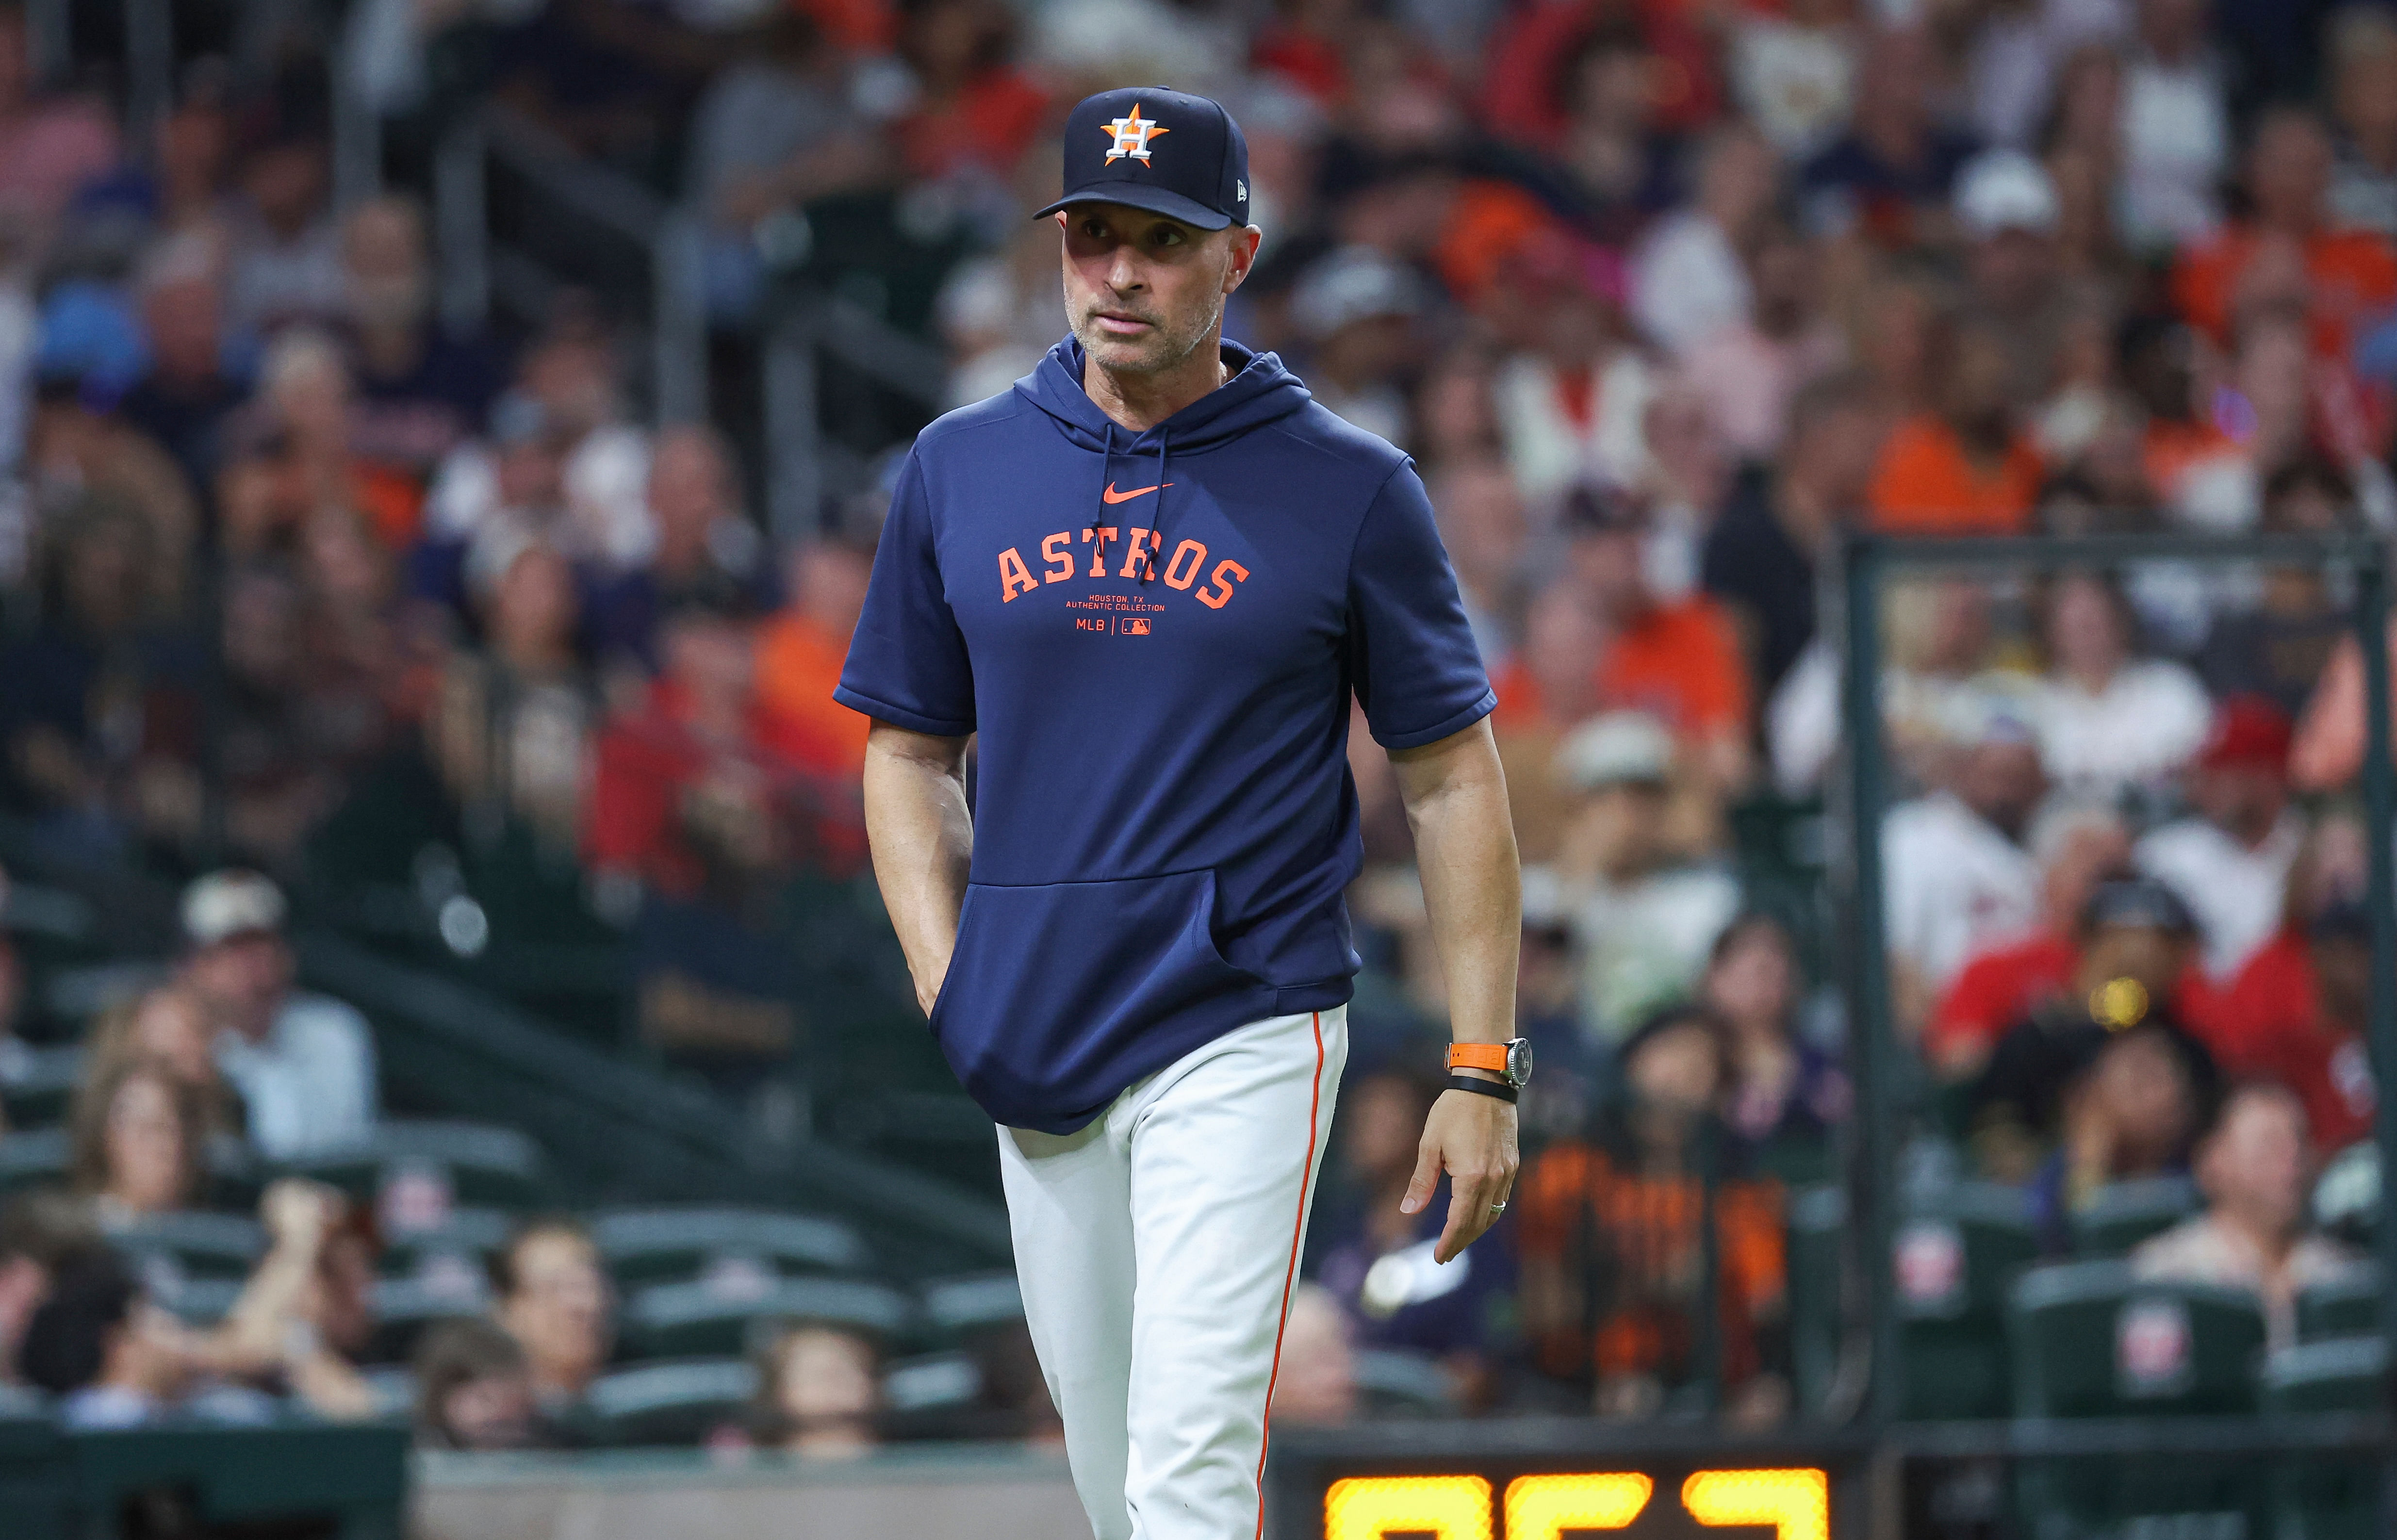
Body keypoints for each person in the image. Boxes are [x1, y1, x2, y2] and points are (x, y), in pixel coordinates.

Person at [838, 88, 1521, 1540]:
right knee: (1112, 1475)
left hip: (1246, 1006)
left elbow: (1451, 773)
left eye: (1161, 240)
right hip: (1033, 1016)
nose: (1120, 274)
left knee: (1188, 1461)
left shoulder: (1346, 486)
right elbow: (904, 755)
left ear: (1238, 257)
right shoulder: (960, 466)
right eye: (1093, 239)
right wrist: (942, 970)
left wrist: (1480, 1063)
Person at [1515, 1007, 1789, 1424]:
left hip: (1711, 1391)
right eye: (1668, 1056)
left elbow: (1764, 1304)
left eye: (1700, 1065)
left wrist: (1702, 1278)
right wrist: (1628, 1281)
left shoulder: (1741, 1193)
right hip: (1579, 1388)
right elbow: (1544, 1311)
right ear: (1630, 1065)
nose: (1679, 1077)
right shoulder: (1567, 1173)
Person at [1308, 1063, 1513, 1413]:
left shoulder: (1464, 1225)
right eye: (1359, 1120)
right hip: (1337, 1423)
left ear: (1424, 1131)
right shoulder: (1337, 1229)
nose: (1362, 1134)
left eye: (1380, 1121)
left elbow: (1481, 1362)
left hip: (1431, 1435)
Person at [1549, 712, 1741, 1047]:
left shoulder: (1708, 899)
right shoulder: (1541, 896)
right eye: (1604, 798)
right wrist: (1578, 883)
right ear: (1575, 810)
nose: (1625, 815)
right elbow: (1545, 1002)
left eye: (1641, 798)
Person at [2134, 1081, 2363, 1348]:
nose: (2292, 1160)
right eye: (2270, 1145)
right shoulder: (2165, 1276)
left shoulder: (2346, 1276)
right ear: (2213, 1161)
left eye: (2300, 1140)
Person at [176, 869, 378, 1160]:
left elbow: (349, 1154)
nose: (254, 970)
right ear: (196, 966)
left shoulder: (336, 1033)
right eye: (233, 951)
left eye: (263, 946)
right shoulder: (178, 1040)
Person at [1881, 701, 2048, 1025]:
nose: (2007, 791)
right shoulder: (1916, 833)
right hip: (1949, 1026)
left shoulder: (2032, 850)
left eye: (2019, 777)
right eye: (1996, 774)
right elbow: (1896, 958)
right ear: (1962, 766)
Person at [2136, 696, 2305, 980]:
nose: (2207, 784)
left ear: (2267, 776)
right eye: (2206, 771)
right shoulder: (2166, 856)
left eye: (2224, 771)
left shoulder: (2311, 848)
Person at [1704, 913, 1844, 1182]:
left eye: (1780, 973)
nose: (1768, 986)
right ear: (1716, 977)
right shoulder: (1696, 1057)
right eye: (1758, 971)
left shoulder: (1819, 1062)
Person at [491, 1218, 612, 1426]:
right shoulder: (490, 1426)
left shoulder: (649, 1412)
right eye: (554, 1288)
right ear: (509, 1309)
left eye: (590, 1286)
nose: (583, 1304)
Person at [69, 1056, 208, 1220]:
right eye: (151, 1128)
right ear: (108, 1137)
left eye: (180, 1130)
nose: (169, 1146)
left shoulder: (214, 1233)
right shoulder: (76, 1234)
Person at [412, 1316, 543, 1450]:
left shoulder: (546, 1448)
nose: (504, 1414)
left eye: (520, 1404)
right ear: (441, 1397)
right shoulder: (415, 1454)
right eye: (486, 1399)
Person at [754, 1320, 882, 1457]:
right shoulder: (750, 1461)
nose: (833, 1385)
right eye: (817, 1375)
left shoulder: (897, 1457)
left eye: (845, 1374)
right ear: (779, 1390)